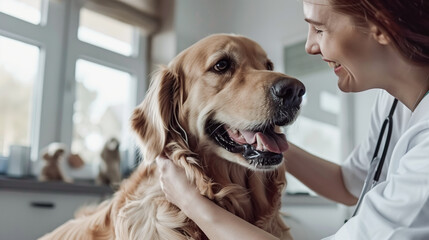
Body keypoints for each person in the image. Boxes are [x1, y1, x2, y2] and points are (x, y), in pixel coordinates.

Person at [156, 0, 429, 239]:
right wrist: (263, 141)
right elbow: (350, 184)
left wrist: (191, 202)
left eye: (319, 29)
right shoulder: (393, 102)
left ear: (381, 24)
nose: (310, 45)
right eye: (222, 66)